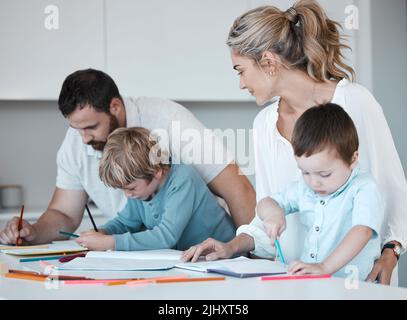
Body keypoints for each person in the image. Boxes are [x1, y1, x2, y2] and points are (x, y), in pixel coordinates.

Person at [181, 0, 407, 284]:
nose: (240, 83)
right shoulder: (263, 124)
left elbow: (394, 191)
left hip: (359, 281)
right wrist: (231, 246)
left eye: (240, 70)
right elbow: (269, 213)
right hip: (296, 282)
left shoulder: (354, 102)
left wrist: (392, 251)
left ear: (268, 62)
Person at [0, 69, 255, 246]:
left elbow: (238, 190)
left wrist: (251, 255)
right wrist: (32, 232)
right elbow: (63, 213)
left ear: (115, 107)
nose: (84, 139)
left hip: (208, 253)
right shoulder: (78, 140)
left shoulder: (171, 123)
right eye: (75, 129)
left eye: (90, 127)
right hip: (165, 257)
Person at [183, 103, 384, 280]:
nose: (314, 182)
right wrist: (273, 213)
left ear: (353, 158)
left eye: (325, 174)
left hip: (354, 287)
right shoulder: (304, 188)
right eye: (305, 172)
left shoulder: (364, 188)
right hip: (315, 284)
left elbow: (362, 231)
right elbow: (266, 202)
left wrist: (324, 267)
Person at [76, 127, 236, 251]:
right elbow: (126, 222)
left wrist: (110, 242)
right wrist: (103, 232)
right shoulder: (140, 192)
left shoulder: (182, 180)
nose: (128, 194)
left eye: (131, 188)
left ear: (156, 172)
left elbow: (166, 236)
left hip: (225, 259)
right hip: (191, 260)